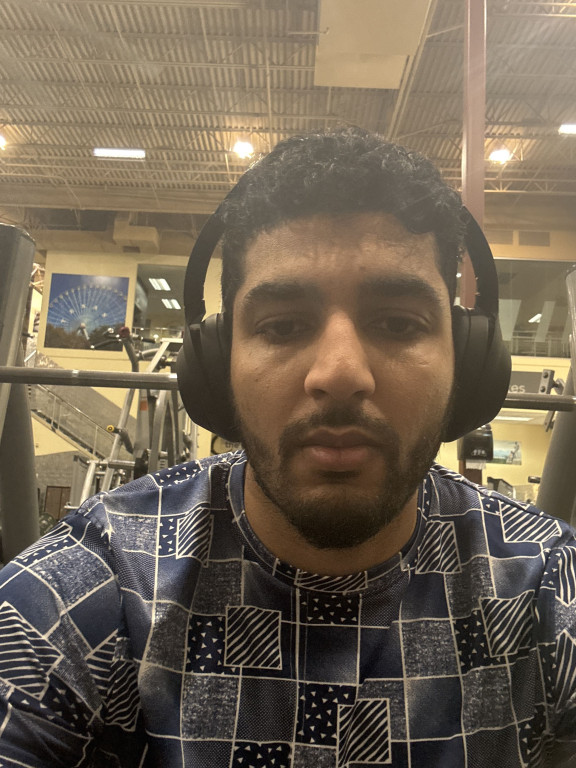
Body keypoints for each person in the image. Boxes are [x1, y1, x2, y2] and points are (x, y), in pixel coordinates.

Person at [0, 127, 575, 767]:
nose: (340, 373)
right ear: (218, 366)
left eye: (397, 323)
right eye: (282, 326)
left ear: (466, 363)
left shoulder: (547, 584)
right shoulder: (87, 592)